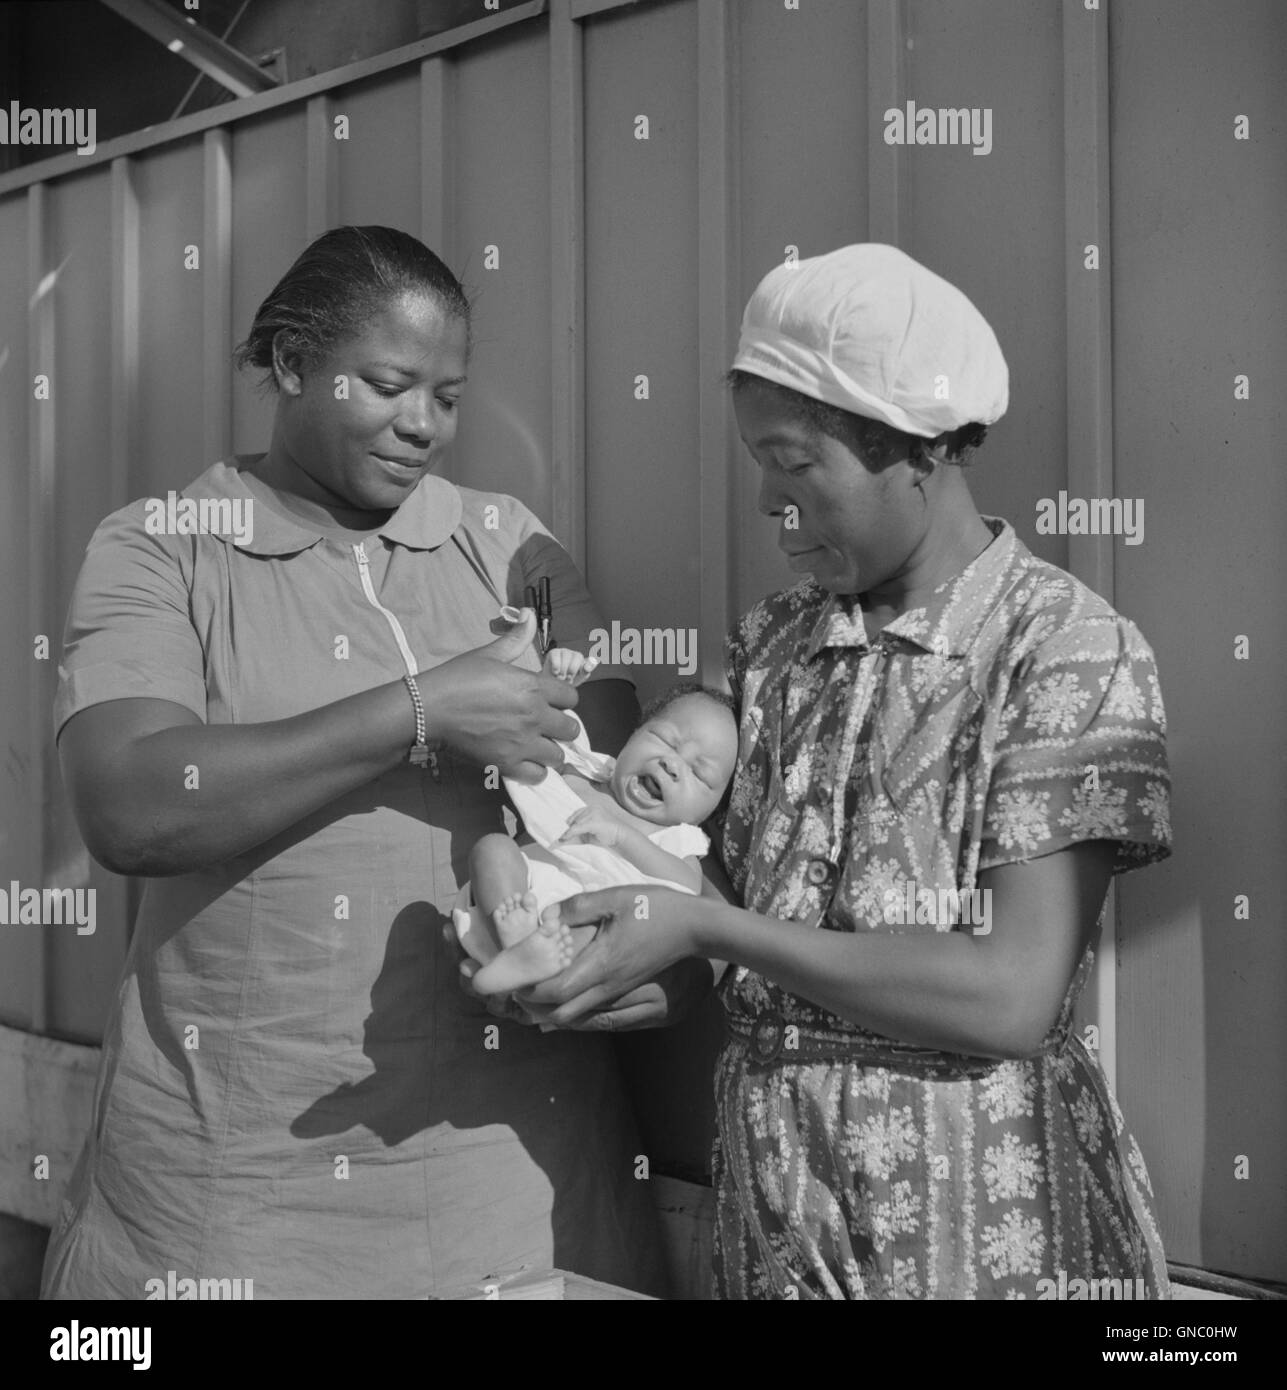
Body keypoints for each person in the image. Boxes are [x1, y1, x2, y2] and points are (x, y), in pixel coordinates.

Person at [521, 244, 1174, 1300]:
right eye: (758, 466)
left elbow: (1010, 992)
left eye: (793, 461)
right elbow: (719, 895)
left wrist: (710, 932)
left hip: (988, 1239)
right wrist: (632, 950)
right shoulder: (771, 647)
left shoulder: (1061, 648)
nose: (766, 503)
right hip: (779, 1231)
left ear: (914, 447)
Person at [40, 225, 666, 1299]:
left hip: (518, 1190)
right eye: (388, 385)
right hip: (240, 1205)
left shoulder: (511, 548)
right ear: (291, 363)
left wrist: (645, 960)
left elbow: (626, 814)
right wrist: (420, 712)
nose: (423, 425)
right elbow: (130, 804)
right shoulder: (164, 547)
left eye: (448, 396)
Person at [453, 658, 737, 995]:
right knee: (492, 848)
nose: (673, 764)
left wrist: (623, 837)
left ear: (709, 811)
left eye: (699, 773)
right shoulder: (583, 772)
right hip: (520, 903)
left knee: (601, 929)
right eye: (665, 740)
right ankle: (514, 947)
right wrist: (552, 683)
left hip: (579, 931)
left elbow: (686, 888)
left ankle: (528, 960)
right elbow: (537, 731)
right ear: (633, 734)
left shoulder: (677, 840)